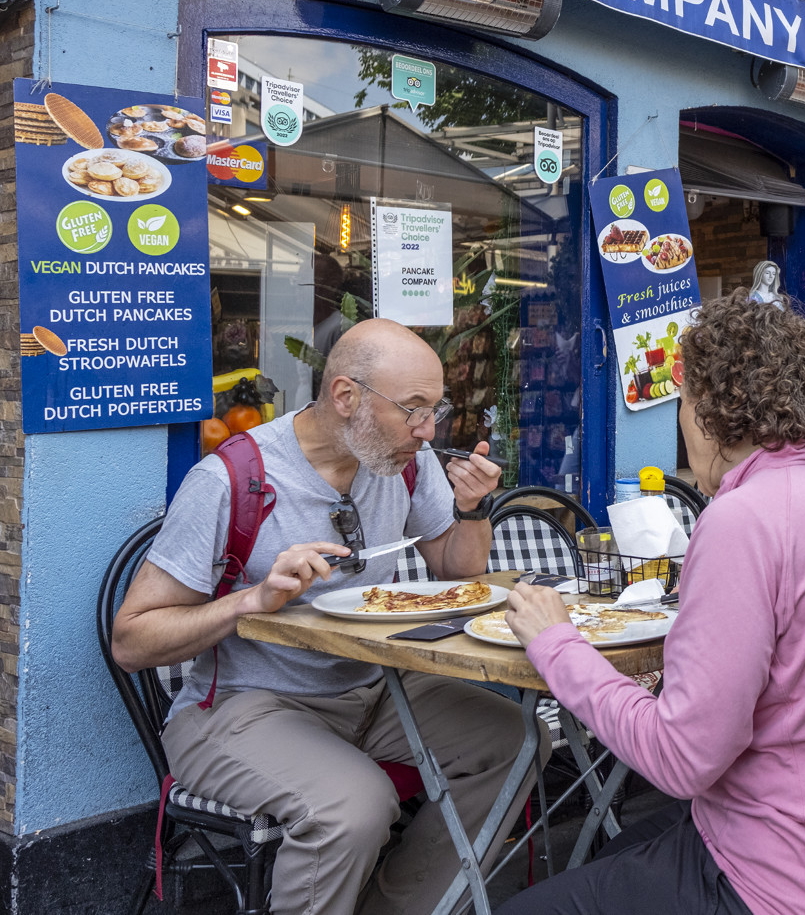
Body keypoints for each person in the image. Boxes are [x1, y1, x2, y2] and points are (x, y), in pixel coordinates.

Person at [498, 293, 805, 915]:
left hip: (801, 884)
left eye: (681, 403)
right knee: (611, 854)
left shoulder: (743, 519)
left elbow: (682, 762)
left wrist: (557, 645)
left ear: (711, 411)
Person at [112, 318, 548, 915]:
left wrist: (473, 509)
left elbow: (457, 569)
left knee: (518, 738)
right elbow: (132, 640)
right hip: (241, 708)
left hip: (371, 687)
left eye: (435, 410)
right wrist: (251, 599)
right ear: (346, 397)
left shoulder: (403, 465)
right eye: (413, 409)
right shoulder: (233, 478)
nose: (428, 430)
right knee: (353, 806)